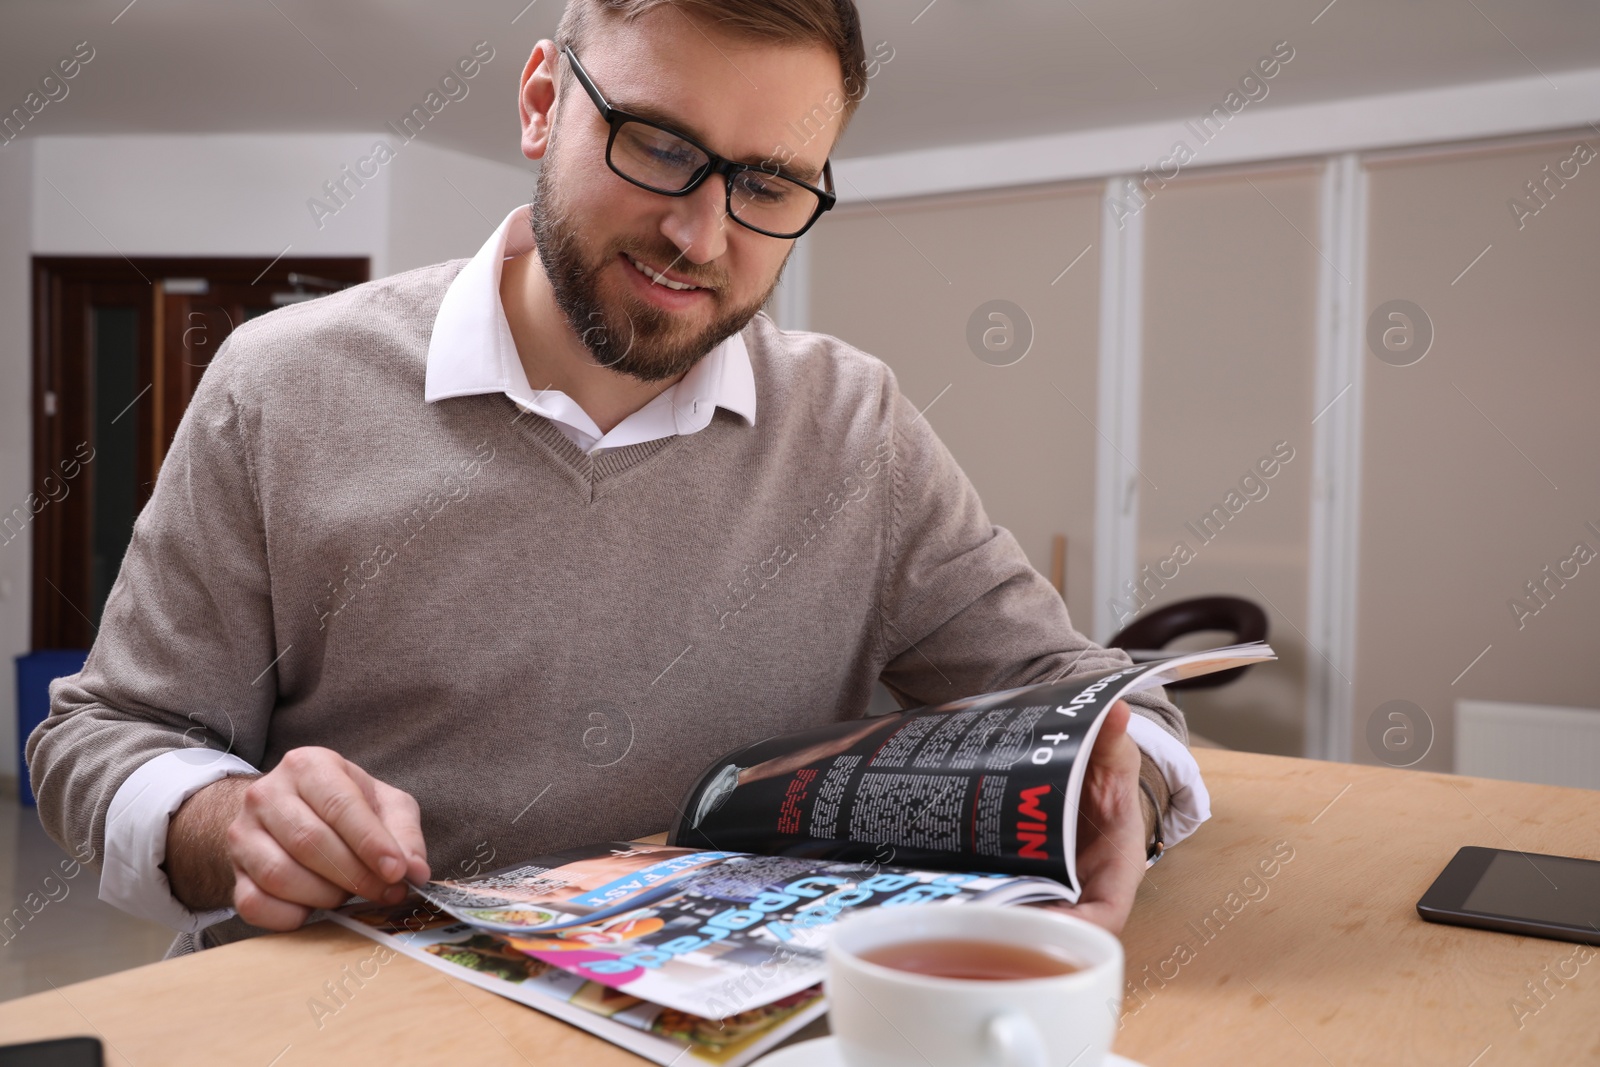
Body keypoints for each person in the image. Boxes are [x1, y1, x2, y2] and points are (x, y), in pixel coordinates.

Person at [26, 0, 1207, 954]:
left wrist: (1119, 788)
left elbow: (1096, 696)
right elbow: (111, 732)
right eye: (658, 145)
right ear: (543, 103)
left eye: (771, 184)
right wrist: (229, 819)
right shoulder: (279, 383)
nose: (701, 233)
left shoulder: (856, 426)